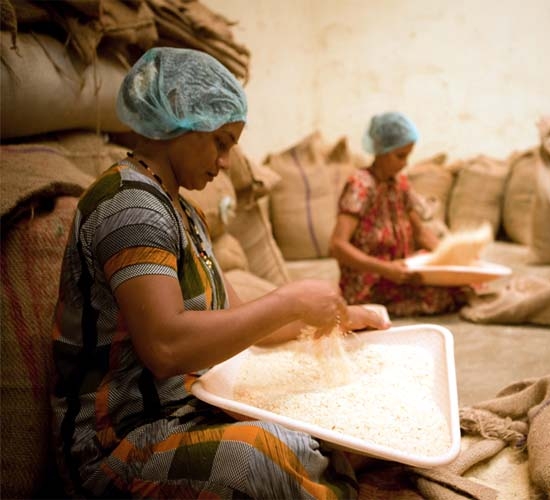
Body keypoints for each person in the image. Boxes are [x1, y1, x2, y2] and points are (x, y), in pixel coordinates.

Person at [50, 47, 388, 499]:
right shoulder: (129, 205)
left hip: (187, 410)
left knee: (323, 429)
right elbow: (167, 347)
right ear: (178, 123)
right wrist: (288, 300)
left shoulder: (184, 213)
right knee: (264, 456)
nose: (227, 161)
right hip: (121, 442)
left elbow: (244, 320)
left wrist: (340, 317)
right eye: (221, 142)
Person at [329, 111, 470, 317]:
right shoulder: (360, 186)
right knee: (442, 296)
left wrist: (450, 257)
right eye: (400, 156)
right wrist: (385, 269)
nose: (405, 163)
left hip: (400, 272)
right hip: (371, 282)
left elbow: (420, 233)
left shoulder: (399, 184)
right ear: (382, 152)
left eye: (407, 156)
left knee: (462, 285)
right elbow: (338, 245)